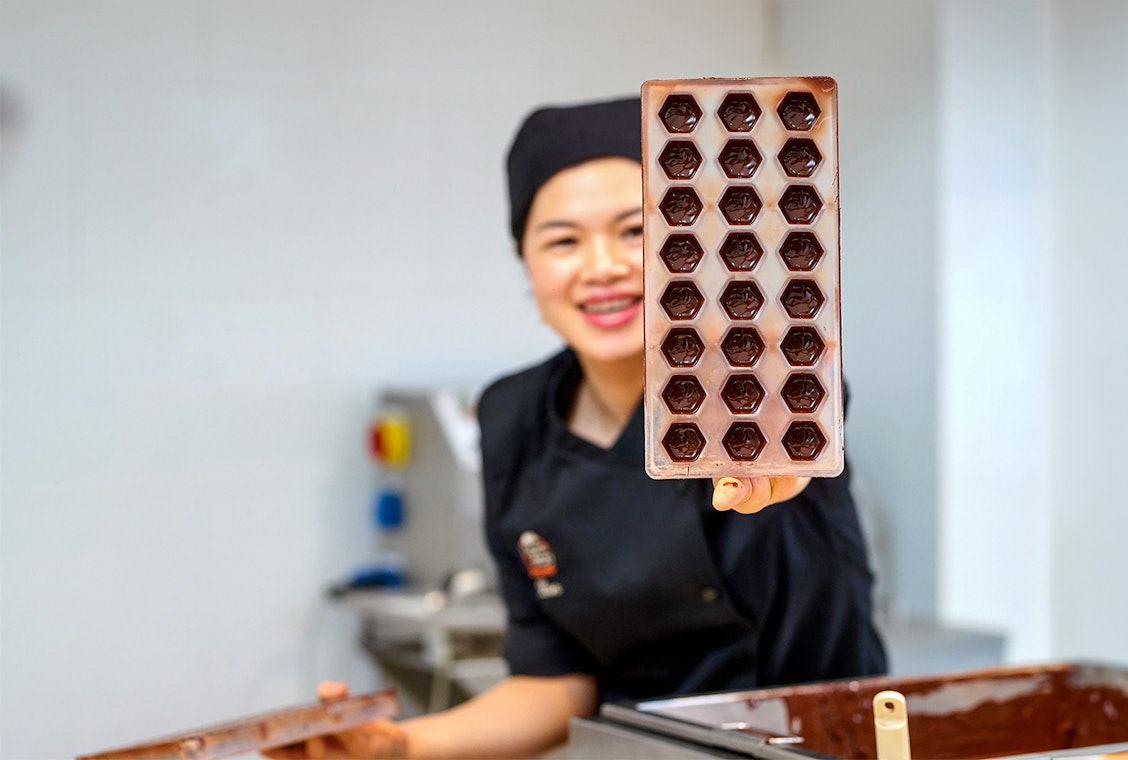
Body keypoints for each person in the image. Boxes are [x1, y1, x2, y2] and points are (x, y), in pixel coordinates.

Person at [267, 96, 886, 760]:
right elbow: (553, 686)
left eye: (636, 231)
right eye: (563, 240)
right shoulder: (512, 418)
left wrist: (783, 427)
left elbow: (789, 393)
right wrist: (396, 747)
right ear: (527, 265)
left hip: (823, 748)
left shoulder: (745, 374)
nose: (602, 266)